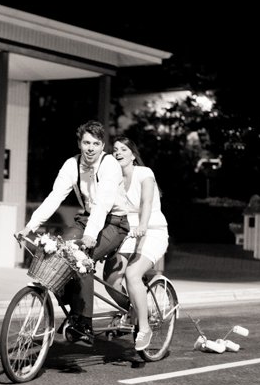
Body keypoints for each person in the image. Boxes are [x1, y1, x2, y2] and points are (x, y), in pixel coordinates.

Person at [16, 120, 130, 344]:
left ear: (102, 145)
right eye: (86, 142)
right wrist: (30, 226)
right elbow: (55, 197)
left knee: (80, 258)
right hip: (87, 218)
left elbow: (103, 204)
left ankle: (84, 324)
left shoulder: (110, 165)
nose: (90, 148)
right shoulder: (72, 164)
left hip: (114, 222)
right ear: (79, 143)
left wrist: (90, 235)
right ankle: (75, 307)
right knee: (57, 253)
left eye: (95, 144)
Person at [104, 136, 169, 352]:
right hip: (127, 232)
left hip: (152, 231)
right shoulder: (113, 179)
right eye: (115, 150)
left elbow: (147, 202)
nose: (118, 152)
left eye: (124, 149)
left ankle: (144, 327)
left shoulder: (145, 173)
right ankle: (132, 308)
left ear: (133, 154)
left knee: (132, 273)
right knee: (111, 277)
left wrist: (142, 225)